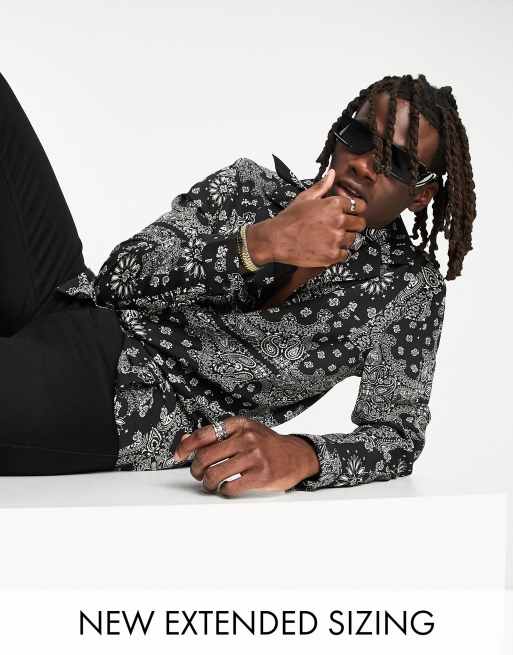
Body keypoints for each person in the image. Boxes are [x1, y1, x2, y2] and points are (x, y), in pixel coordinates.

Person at [0, 72, 476, 496]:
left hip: (122, 398)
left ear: (421, 195)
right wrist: (262, 243)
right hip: (73, 300)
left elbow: (396, 435)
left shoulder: (406, 289)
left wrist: (301, 454)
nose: (363, 165)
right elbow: (117, 280)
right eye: (359, 136)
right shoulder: (249, 188)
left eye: (396, 161)